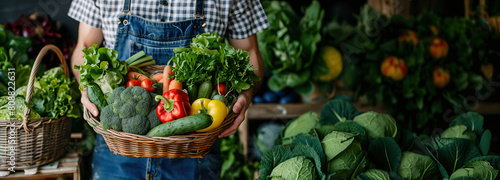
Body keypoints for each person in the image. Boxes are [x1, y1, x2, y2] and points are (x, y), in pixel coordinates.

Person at [67, 0, 268, 179]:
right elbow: (84, 47)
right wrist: (88, 87)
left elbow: (249, 53)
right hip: (117, 143)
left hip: (196, 145)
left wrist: (246, 95)